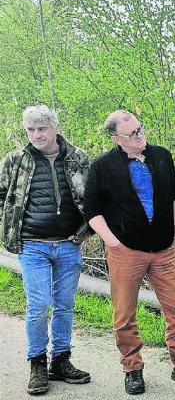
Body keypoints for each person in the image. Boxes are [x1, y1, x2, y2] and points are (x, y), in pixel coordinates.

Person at [84, 110, 175, 395]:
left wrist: (174, 232)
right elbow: (91, 211)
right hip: (126, 251)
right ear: (116, 138)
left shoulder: (162, 156)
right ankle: (132, 369)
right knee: (124, 314)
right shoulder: (103, 166)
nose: (140, 135)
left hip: (164, 250)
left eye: (140, 129)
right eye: (132, 133)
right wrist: (113, 242)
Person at [0, 105, 92, 395]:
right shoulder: (15, 160)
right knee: (38, 305)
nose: (36, 134)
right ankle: (37, 362)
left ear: (55, 128)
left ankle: (61, 360)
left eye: (42, 128)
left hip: (69, 245)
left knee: (65, 304)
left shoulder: (78, 158)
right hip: (33, 245)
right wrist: (9, 231)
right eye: (31, 129)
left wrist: (84, 232)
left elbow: (95, 200)